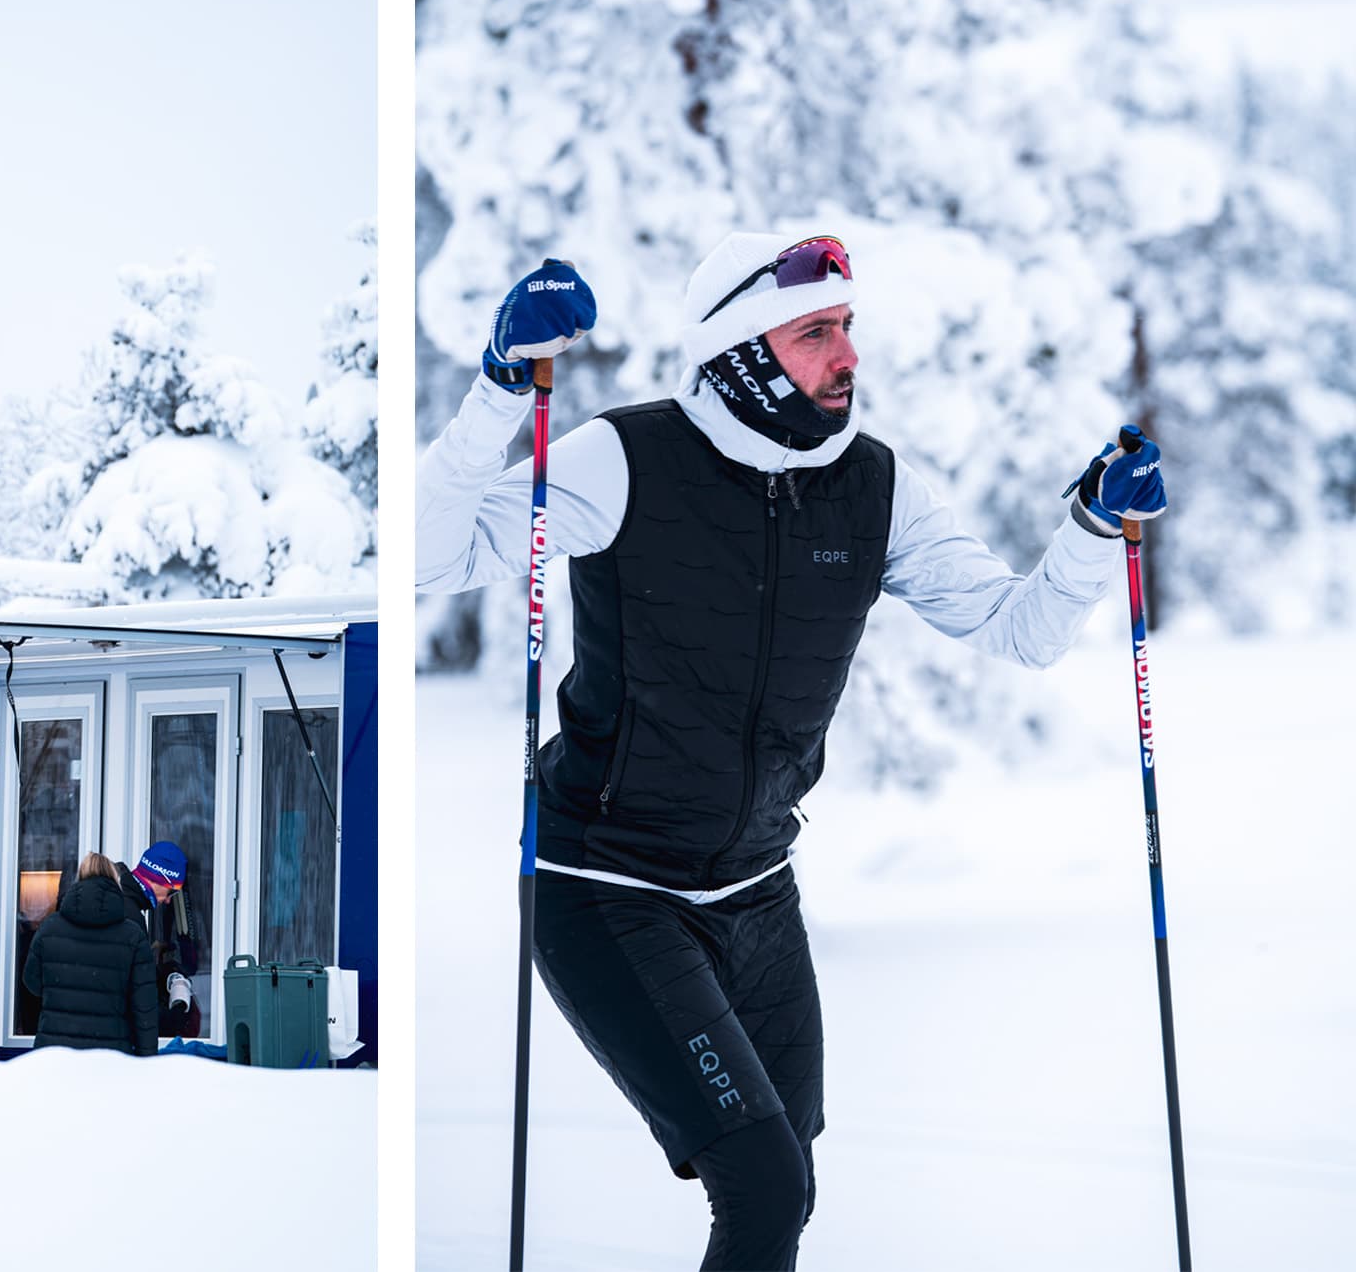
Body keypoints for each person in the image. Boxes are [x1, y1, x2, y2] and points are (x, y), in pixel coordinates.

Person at [415, 240, 1168, 1270]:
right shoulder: (624, 459)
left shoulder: (874, 486)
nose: (844, 352)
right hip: (606, 886)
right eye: (815, 331)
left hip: (758, 889)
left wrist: (1091, 528)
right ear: (742, 351)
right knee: (761, 1183)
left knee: (788, 1178)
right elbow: (431, 555)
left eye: (847, 326)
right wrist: (504, 390)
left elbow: (1020, 628)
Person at [23, 851, 158, 1054]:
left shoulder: (49, 928)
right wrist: (147, 1060)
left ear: (80, 878)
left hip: (55, 1053)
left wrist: (61, 994)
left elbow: (32, 983)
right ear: (116, 881)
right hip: (110, 1055)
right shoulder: (132, 935)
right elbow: (144, 1007)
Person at [109, 841, 198, 1036]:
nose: (167, 900)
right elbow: (131, 994)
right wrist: (173, 1017)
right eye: (170, 891)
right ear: (156, 878)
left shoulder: (122, 904)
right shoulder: (129, 916)